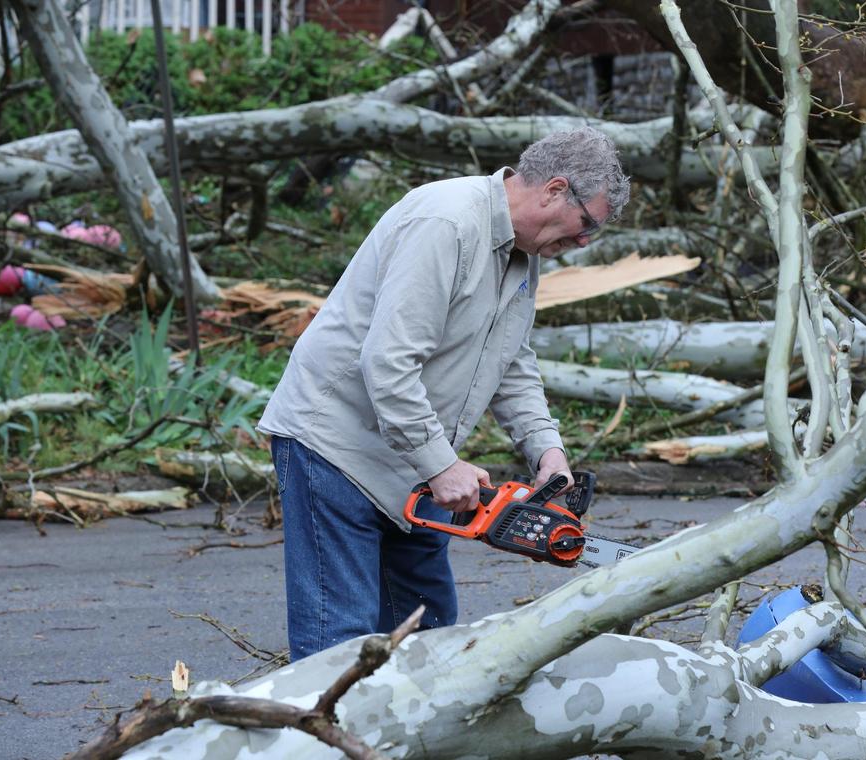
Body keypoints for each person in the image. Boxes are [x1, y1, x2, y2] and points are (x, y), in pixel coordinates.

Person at [258, 127, 630, 661]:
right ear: (553, 190)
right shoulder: (447, 222)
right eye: (586, 224)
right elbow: (386, 362)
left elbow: (513, 363)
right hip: (338, 446)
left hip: (410, 457)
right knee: (338, 641)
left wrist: (547, 452)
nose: (584, 242)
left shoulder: (523, 255)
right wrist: (440, 465)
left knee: (425, 629)